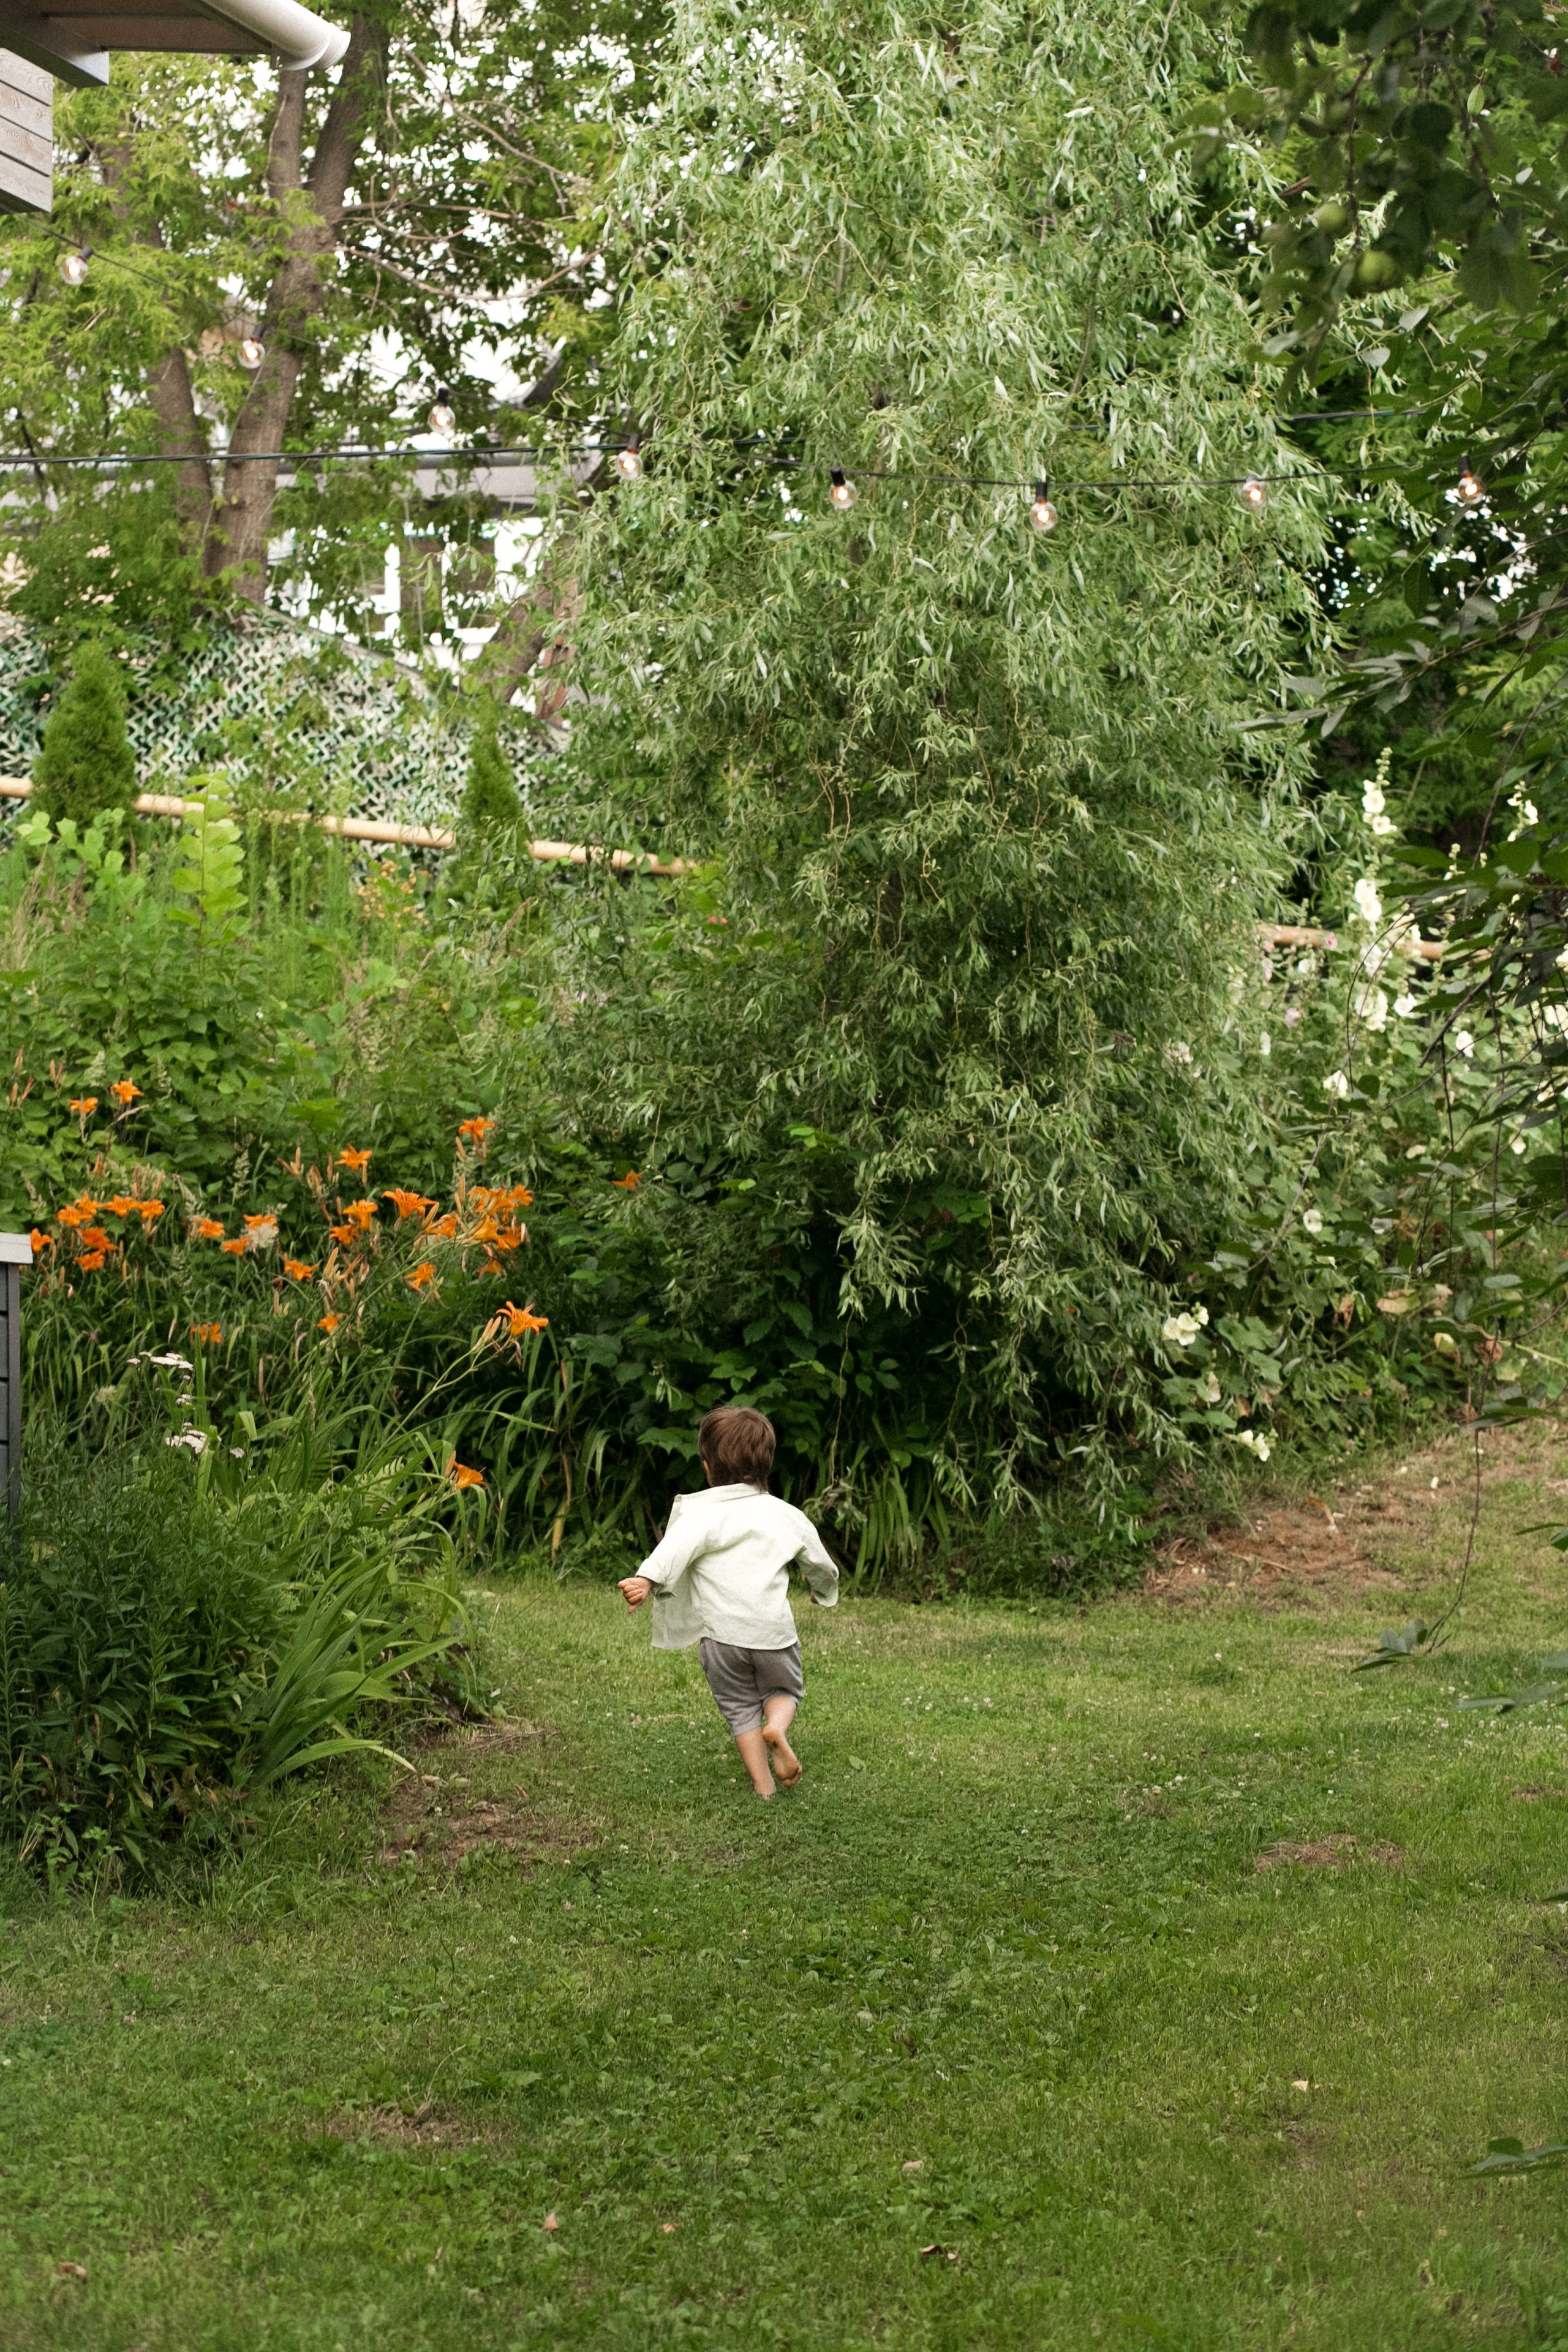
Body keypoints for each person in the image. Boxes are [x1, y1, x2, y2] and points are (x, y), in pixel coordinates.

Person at [618, 1405, 839, 1797]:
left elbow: (674, 1548)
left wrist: (645, 1579)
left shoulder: (704, 1515)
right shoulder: (786, 1515)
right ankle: (778, 1729)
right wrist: (823, 1590)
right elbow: (820, 1562)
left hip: (721, 1639)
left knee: (739, 1708)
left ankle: (764, 1786)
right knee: (784, 1692)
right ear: (767, 1463)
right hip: (772, 1634)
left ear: (707, 1467)